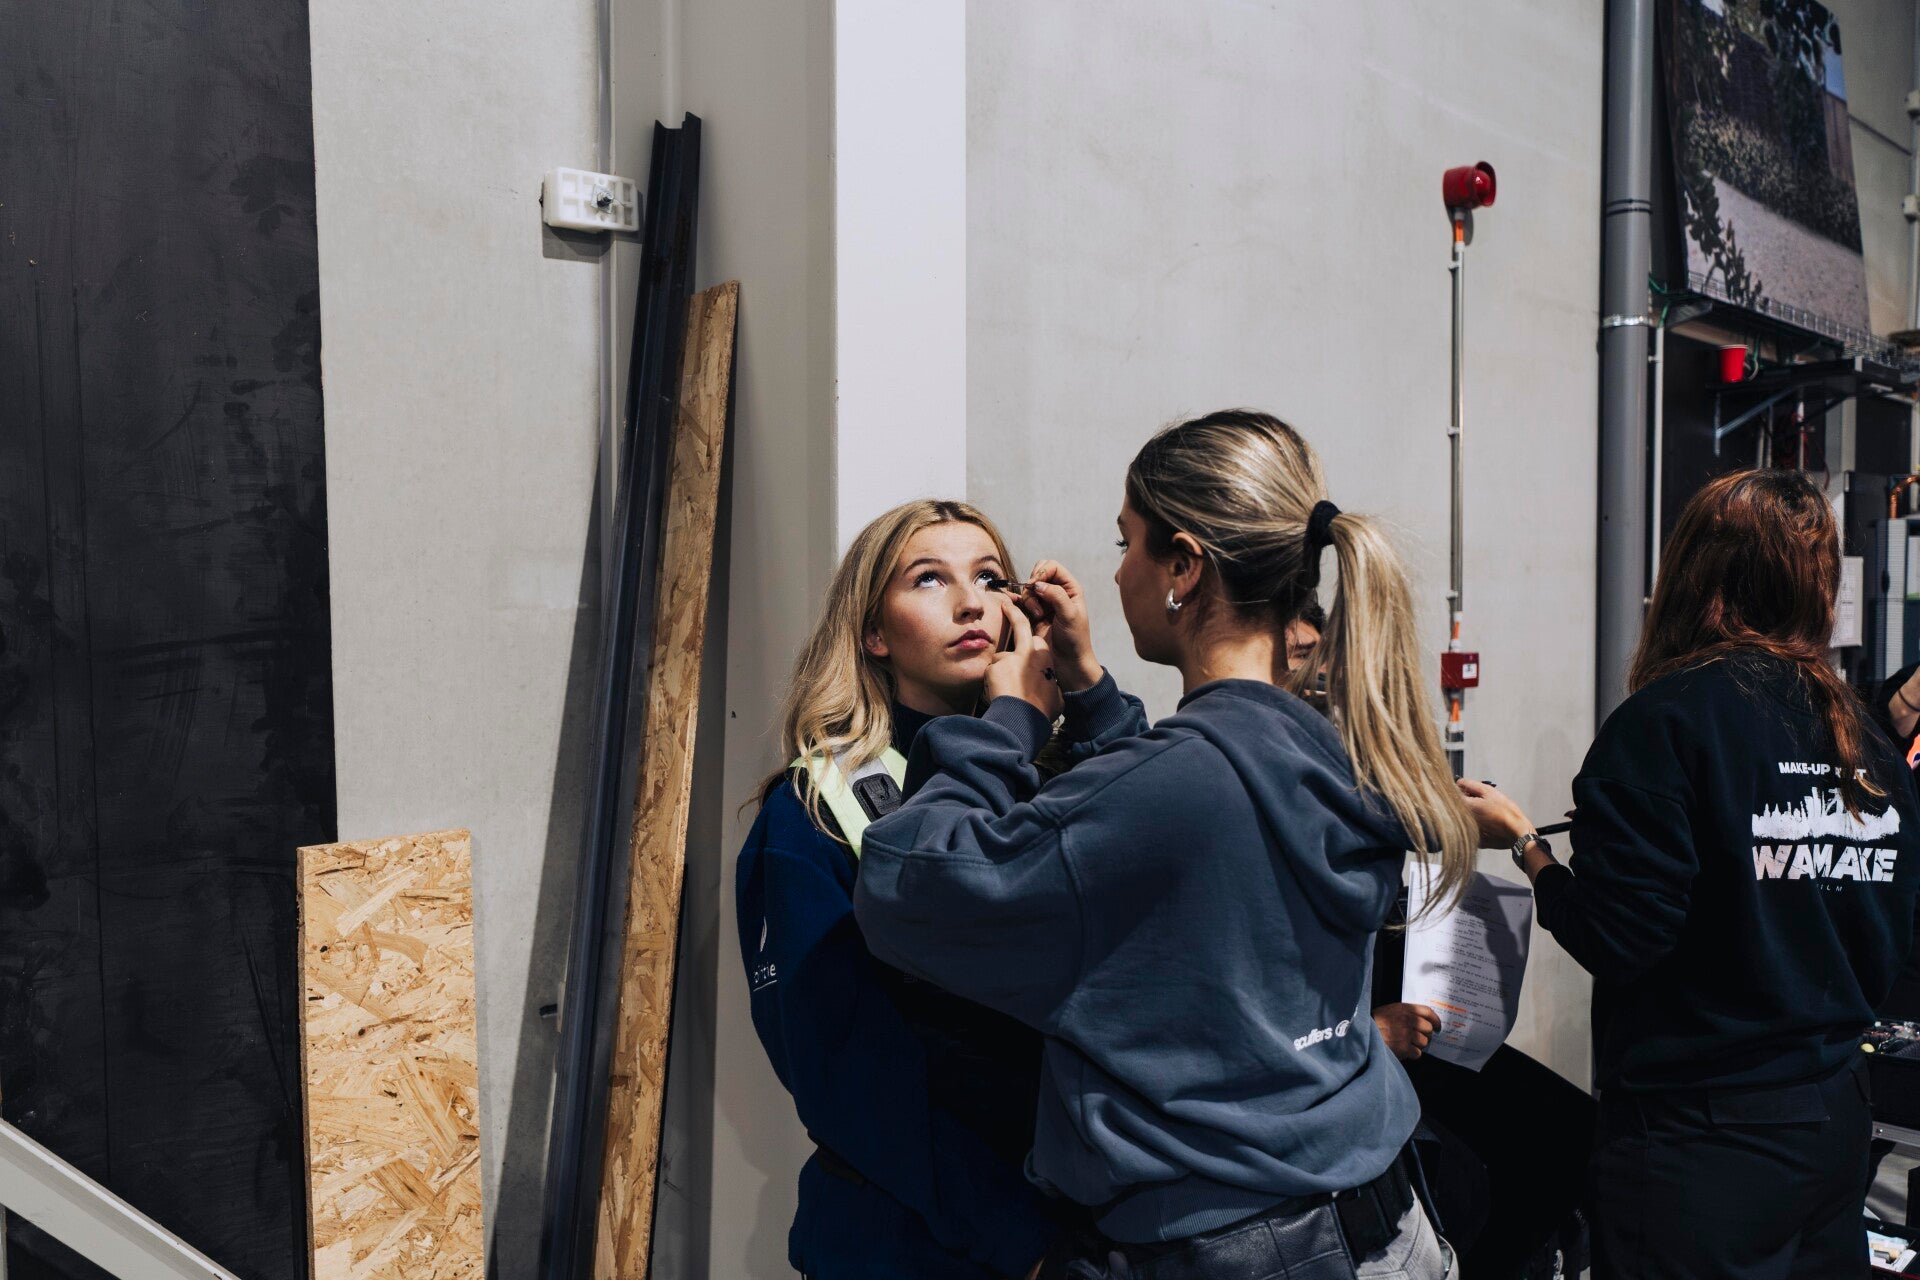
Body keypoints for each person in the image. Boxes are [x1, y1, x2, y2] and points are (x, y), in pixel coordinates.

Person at [854, 410, 1473, 1278]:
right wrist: (1092, 691)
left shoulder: (1172, 784)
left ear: (1183, 566)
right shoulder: (1328, 747)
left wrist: (1008, 721)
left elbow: (913, 886)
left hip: (1245, 1251)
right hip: (1386, 1224)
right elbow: (1172, 834)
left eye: (1127, 543)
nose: (1115, 573)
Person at [1462, 468, 1920, 1279]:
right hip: (1834, 1120)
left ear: (1696, 575)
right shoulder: (1866, 737)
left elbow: (1617, 937)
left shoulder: (1667, 722)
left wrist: (1527, 844)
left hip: (1705, 1142)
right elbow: (1886, 927)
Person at [735, 498, 1142, 1279]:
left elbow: (1169, 867)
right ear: (873, 633)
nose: (970, 603)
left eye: (990, 578)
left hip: (1085, 1228)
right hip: (918, 1245)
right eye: (928, 579)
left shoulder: (1055, 779)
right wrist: (1022, 1241)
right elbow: (844, 1074)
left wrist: (1085, 686)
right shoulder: (814, 810)